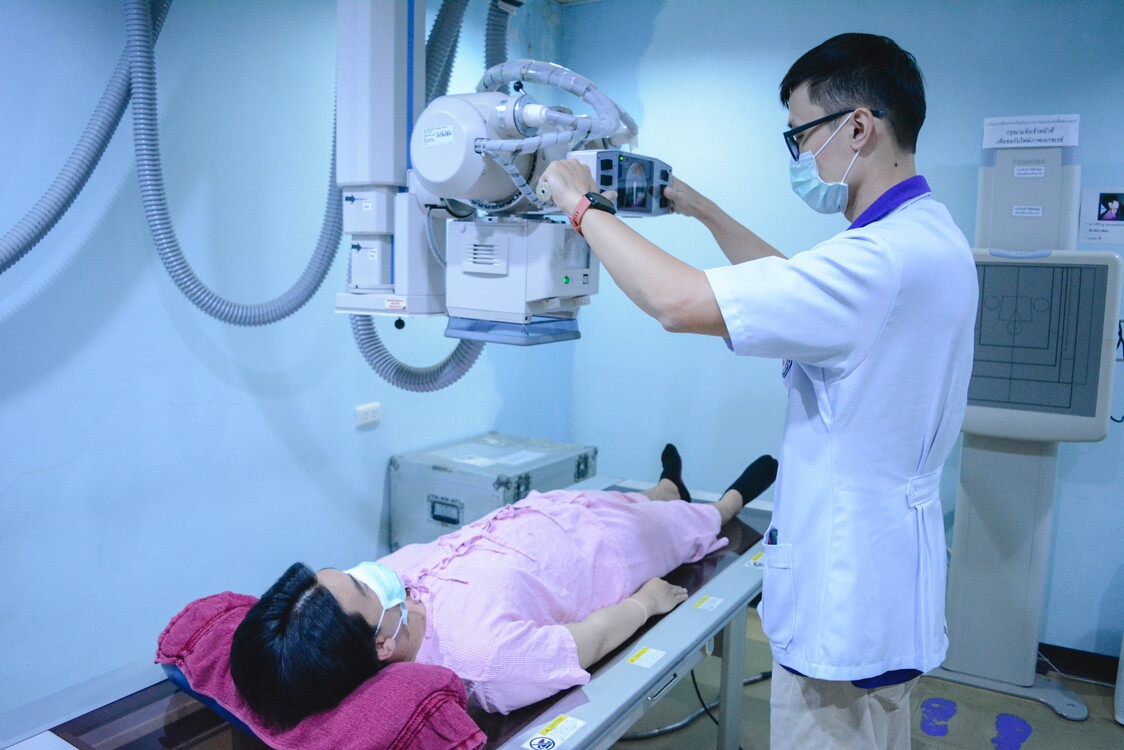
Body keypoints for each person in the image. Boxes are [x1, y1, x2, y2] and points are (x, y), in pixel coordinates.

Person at [539, 33, 977, 750]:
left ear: (858, 128)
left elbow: (676, 303)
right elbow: (793, 288)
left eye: (800, 135)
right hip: (886, 582)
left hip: (844, 598)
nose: (799, 155)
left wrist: (580, 207)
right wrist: (698, 207)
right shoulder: (926, 236)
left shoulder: (879, 262)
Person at [230, 445, 778, 728]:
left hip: (556, 512)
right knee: (699, 522)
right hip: (611, 554)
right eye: (360, 585)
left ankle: (666, 487)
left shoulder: (391, 593)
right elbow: (582, 642)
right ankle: (729, 498)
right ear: (380, 646)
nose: (370, 572)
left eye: (348, 571)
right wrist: (644, 603)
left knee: (639, 501)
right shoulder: (483, 659)